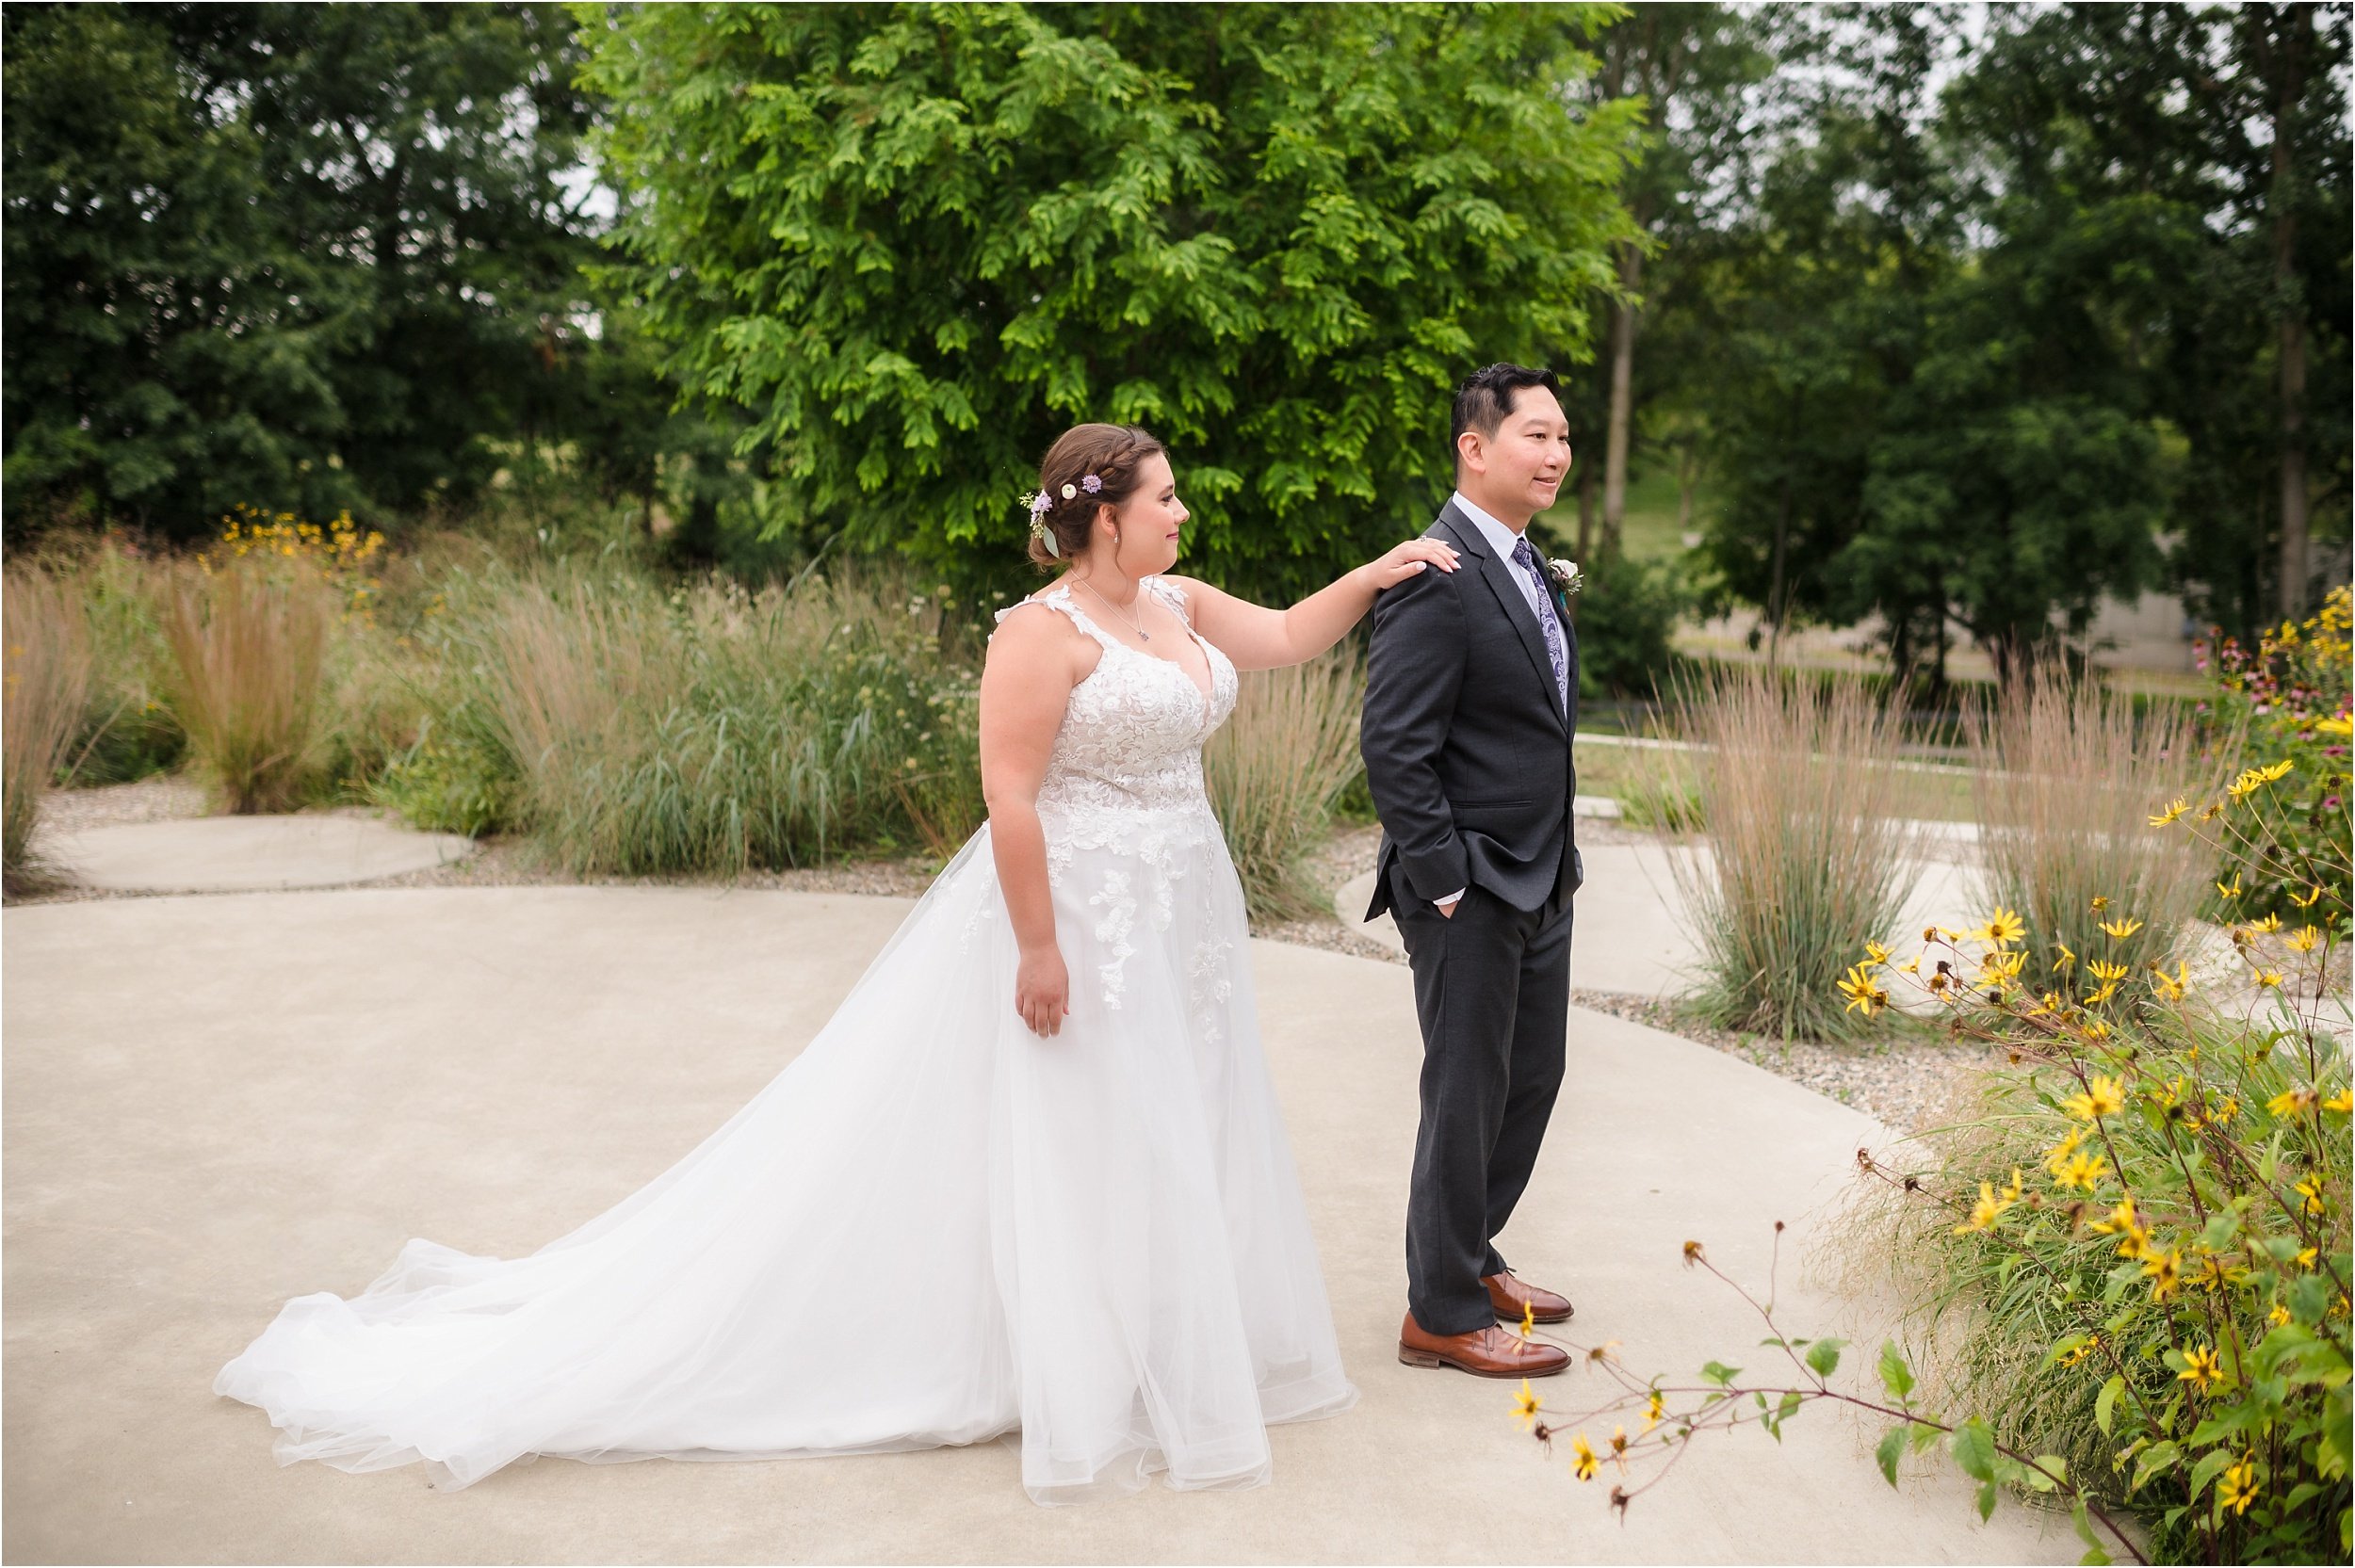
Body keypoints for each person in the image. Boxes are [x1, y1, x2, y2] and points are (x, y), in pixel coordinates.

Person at [212, 421, 1459, 1506]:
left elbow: (1293, 636)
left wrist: (1381, 569)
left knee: (1159, 1119)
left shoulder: (1180, 607)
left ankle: (1121, 1339)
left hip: (1178, 905)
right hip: (1077, 908)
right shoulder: (1041, 633)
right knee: (1072, 1120)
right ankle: (1052, 1363)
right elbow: (1010, 796)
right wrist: (1038, 944)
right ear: (1104, 519)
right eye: (1167, 497)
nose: (1185, 511)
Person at [1360, 364, 1584, 1380]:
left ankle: (1471, 1252)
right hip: (1471, 885)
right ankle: (1441, 1311)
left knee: (1529, 1077)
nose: (1554, 455)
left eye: (1563, 438)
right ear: (1474, 447)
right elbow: (1392, 744)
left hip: (1544, 873)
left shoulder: (1530, 564)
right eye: (1535, 435)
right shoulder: (1434, 571)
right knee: (1464, 1090)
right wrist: (1445, 877)